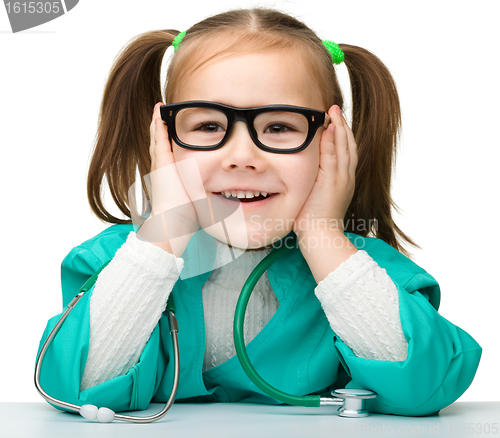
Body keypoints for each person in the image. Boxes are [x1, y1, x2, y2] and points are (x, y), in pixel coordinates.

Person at [36, 7, 481, 417]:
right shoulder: (122, 261)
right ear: (166, 140)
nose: (243, 157)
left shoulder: (359, 272)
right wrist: (166, 226)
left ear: (331, 142)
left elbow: (426, 387)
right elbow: (74, 386)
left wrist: (323, 236)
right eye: (208, 126)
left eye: (280, 126)